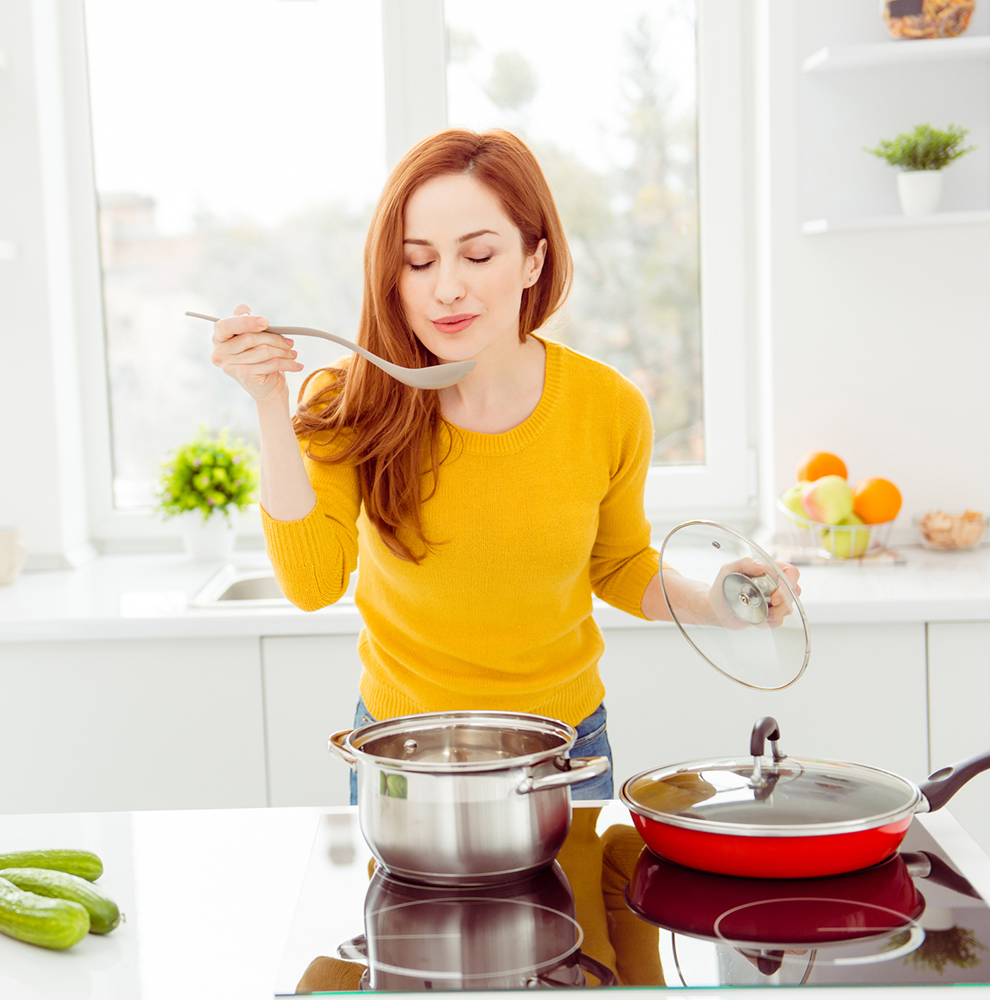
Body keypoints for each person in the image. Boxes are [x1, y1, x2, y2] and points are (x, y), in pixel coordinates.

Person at [210, 128, 798, 802]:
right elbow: (311, 584)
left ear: (532, 259)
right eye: (418, 262)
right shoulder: (352, 399)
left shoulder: (608, 407)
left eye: (479, 254)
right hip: (404, 755)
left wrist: (716, 604)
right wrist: (268, 405)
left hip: (565, 754)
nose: (447, 289)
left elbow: (617, 564)